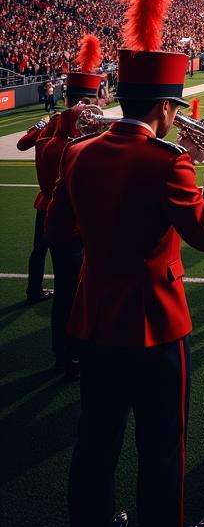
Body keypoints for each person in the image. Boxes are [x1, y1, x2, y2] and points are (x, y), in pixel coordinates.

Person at [45, 0, 204, 527]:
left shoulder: (79, 154)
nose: (178, 118)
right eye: (174, 109)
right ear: (161, 106)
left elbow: (60, 229)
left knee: (95, 442)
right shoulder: (167, 161)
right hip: (156, 325)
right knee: (161, 446)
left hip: (97, 318)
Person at [37, 34, 104, 378]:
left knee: (68, 294)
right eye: (94, 103)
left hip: (58, 222)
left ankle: (65, 352)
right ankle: (69, 355)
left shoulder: (53, 138)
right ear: (83, 106)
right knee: (70, 295)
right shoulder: (71, 146)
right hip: (70, 230)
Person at [20, 111, 58, 304]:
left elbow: (21, 144)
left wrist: (40, 125)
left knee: (39, 250)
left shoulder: (42, 140)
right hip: (65, 205)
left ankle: (33, 290)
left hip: (44, 203)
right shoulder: (68, 144)